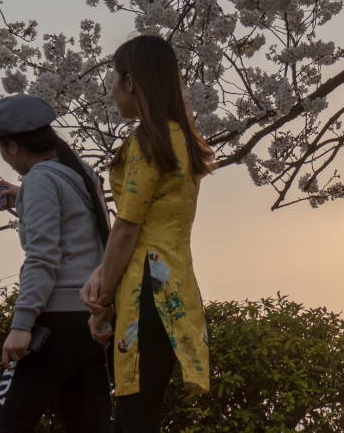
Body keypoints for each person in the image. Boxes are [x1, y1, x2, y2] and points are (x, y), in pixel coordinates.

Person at [81, 34, 212, 432]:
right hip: (176, 286)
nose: (112, 90)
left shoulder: (148, 142)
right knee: (143, 413)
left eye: (114, 79)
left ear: (131, 81)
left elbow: (127, 228)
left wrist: (101, 298)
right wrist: (101, 275)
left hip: (144, 292)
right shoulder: (181, 139)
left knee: (134, 416)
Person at [0, 94, 113, 433]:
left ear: (12, 146)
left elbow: (42, 258)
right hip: (90, 321)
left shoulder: (41, 180)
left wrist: (21, 325)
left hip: (53, 323)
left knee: (5, 423)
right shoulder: (80, 172)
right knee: (87, 425)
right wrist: (23, 195)